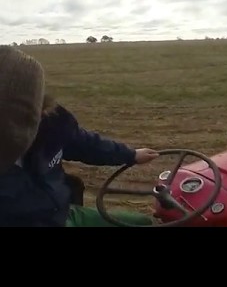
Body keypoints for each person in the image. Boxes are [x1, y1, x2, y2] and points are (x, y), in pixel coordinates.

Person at [0, 45, 160, 227]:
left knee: (142, 222)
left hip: (64, 214)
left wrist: (130, 155)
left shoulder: (52, 124)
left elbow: (84, 144)